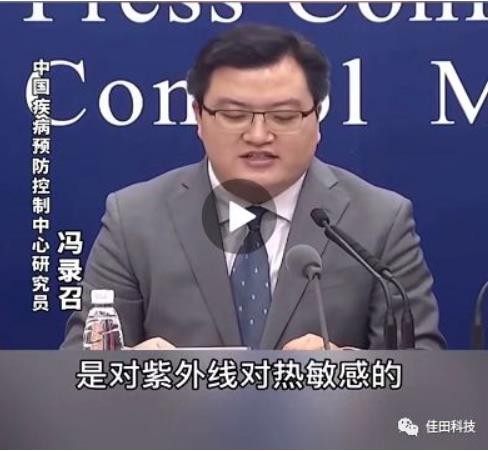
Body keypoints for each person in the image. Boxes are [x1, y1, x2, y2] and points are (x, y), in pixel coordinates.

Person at [62, 24, 445, 350]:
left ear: (316, 118)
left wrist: (345, 368)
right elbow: (80, 365)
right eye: (234, 114)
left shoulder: (380, 220)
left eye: (284, 115)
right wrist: (132, 370)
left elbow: (422, 369)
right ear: (199, 117)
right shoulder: (134, 218)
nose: (259, 135)